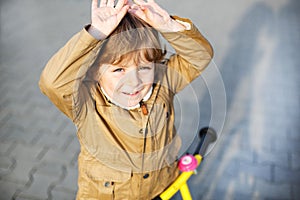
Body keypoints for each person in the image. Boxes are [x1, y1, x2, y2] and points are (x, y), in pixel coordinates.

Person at [39, 0, 213, 199]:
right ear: (95, 71)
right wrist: (95, 34)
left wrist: (169, 26)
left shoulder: (162, 83)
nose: (134, 81)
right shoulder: (87, 103)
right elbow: (52, 82)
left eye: (144, 68)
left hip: (163, 189)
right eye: (119, 69)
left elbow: (200, 56)